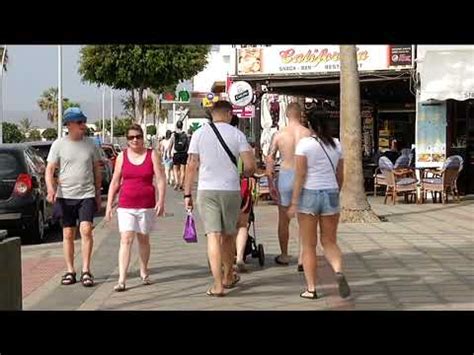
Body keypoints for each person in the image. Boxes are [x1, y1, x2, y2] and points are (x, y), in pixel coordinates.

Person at [183, 101, 256, 297]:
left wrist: (187, 193)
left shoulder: (199, 134)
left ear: (212, 114)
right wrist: (243, 174)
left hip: (207, 190)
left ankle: (217, 285)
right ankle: (229, 276)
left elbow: (191, 165)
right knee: (229, 235)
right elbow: (250, 166)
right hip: (231, 190)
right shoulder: (237, 134)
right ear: (230, 114)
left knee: (213, 236)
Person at [287, 110, 351, 300]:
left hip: (309, 194)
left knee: (308, 245)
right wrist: (335, 191)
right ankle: (338, 270)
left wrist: (294, 201)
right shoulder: (336, 144)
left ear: (311, 126)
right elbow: (340, 175)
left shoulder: (305, 144)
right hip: (330, 193)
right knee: (329, 242)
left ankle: (311, 288)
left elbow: (300, 175)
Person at [45, 107, 102, 287]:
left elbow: (97, 170)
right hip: (65, 195)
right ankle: (70, 271)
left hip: (86, 193)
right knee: (68, 233)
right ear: (69, 124)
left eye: (83, 121)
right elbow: (49, 170)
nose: (82, 125)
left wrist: (98, 193)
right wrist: (50, 189)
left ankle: (86, 270)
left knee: (86, 230)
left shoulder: (91, 144)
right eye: (79, 122)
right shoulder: (58, 145)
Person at [105, 124, 166, 292]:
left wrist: (161, 200)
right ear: (127, 139)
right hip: (126, 204)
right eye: (131, 137)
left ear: (142, 137)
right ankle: (122, 279)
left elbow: (160, 178)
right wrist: (109, 204)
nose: (135, 140)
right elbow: (115, 181)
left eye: (138, 136)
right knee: (126, 239)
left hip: (146, 205)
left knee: (143, 239)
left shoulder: (151, 154)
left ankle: (144, 271)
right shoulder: (122, 157)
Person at [266, 102, 310, 271]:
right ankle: (301, 257)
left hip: (285, 175)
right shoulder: (308, 134)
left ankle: (284, 255)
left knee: (283, 219)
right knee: (304, 219)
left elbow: (270, 158)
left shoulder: (279, 135)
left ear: (286, 114)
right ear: (300, 115)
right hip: (304, 177)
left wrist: (270, 181)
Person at [168, 120, 189, 191]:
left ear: (177, 126)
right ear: (182, 126)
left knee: (175, 169)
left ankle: (177, 182)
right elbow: (187, 145)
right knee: (183, 170)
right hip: (184, 153)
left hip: (176, 153)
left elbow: (170, 145)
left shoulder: (174, 135)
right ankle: (181, 184)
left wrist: (169, 152)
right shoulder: (185, 135)